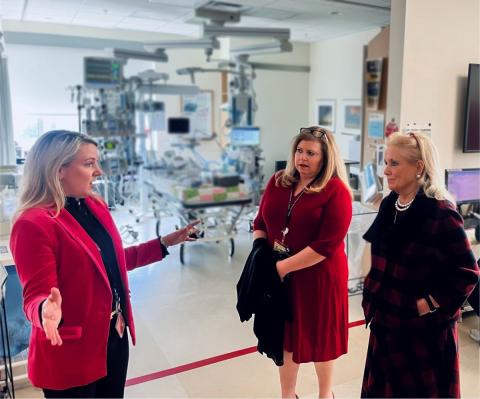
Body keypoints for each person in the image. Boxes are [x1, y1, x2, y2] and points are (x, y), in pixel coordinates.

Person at [10, 130, 199, 398]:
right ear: (59, 169)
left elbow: (111, 262)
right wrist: (44, 311)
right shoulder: (34, 223)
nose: (98, 171)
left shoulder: (94, 206)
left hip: (113, 337)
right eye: (89, 164)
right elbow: (35, 295)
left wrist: (163, 243)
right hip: (70, 352)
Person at [361, 132, 480, 398]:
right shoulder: (391, 203)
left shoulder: (441, 213)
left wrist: (427, 303)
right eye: (386, 162)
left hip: (423, 335)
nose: (385, 171)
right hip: (386, 324)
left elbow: (468, 273)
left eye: (394, 163)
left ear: (418, 167)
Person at [253, 127, 353, 399]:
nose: (302, 158)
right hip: (280, 275)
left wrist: (281, 268)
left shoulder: (336, 191)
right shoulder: (278, 181)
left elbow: (326, 245)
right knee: (285, 336)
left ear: (325, 158)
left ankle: (325, 394)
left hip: (318, 278)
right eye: (299, 151)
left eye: (311, 153)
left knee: (320, 338)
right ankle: (288, 395)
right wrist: (259, 253)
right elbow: (260, 222)